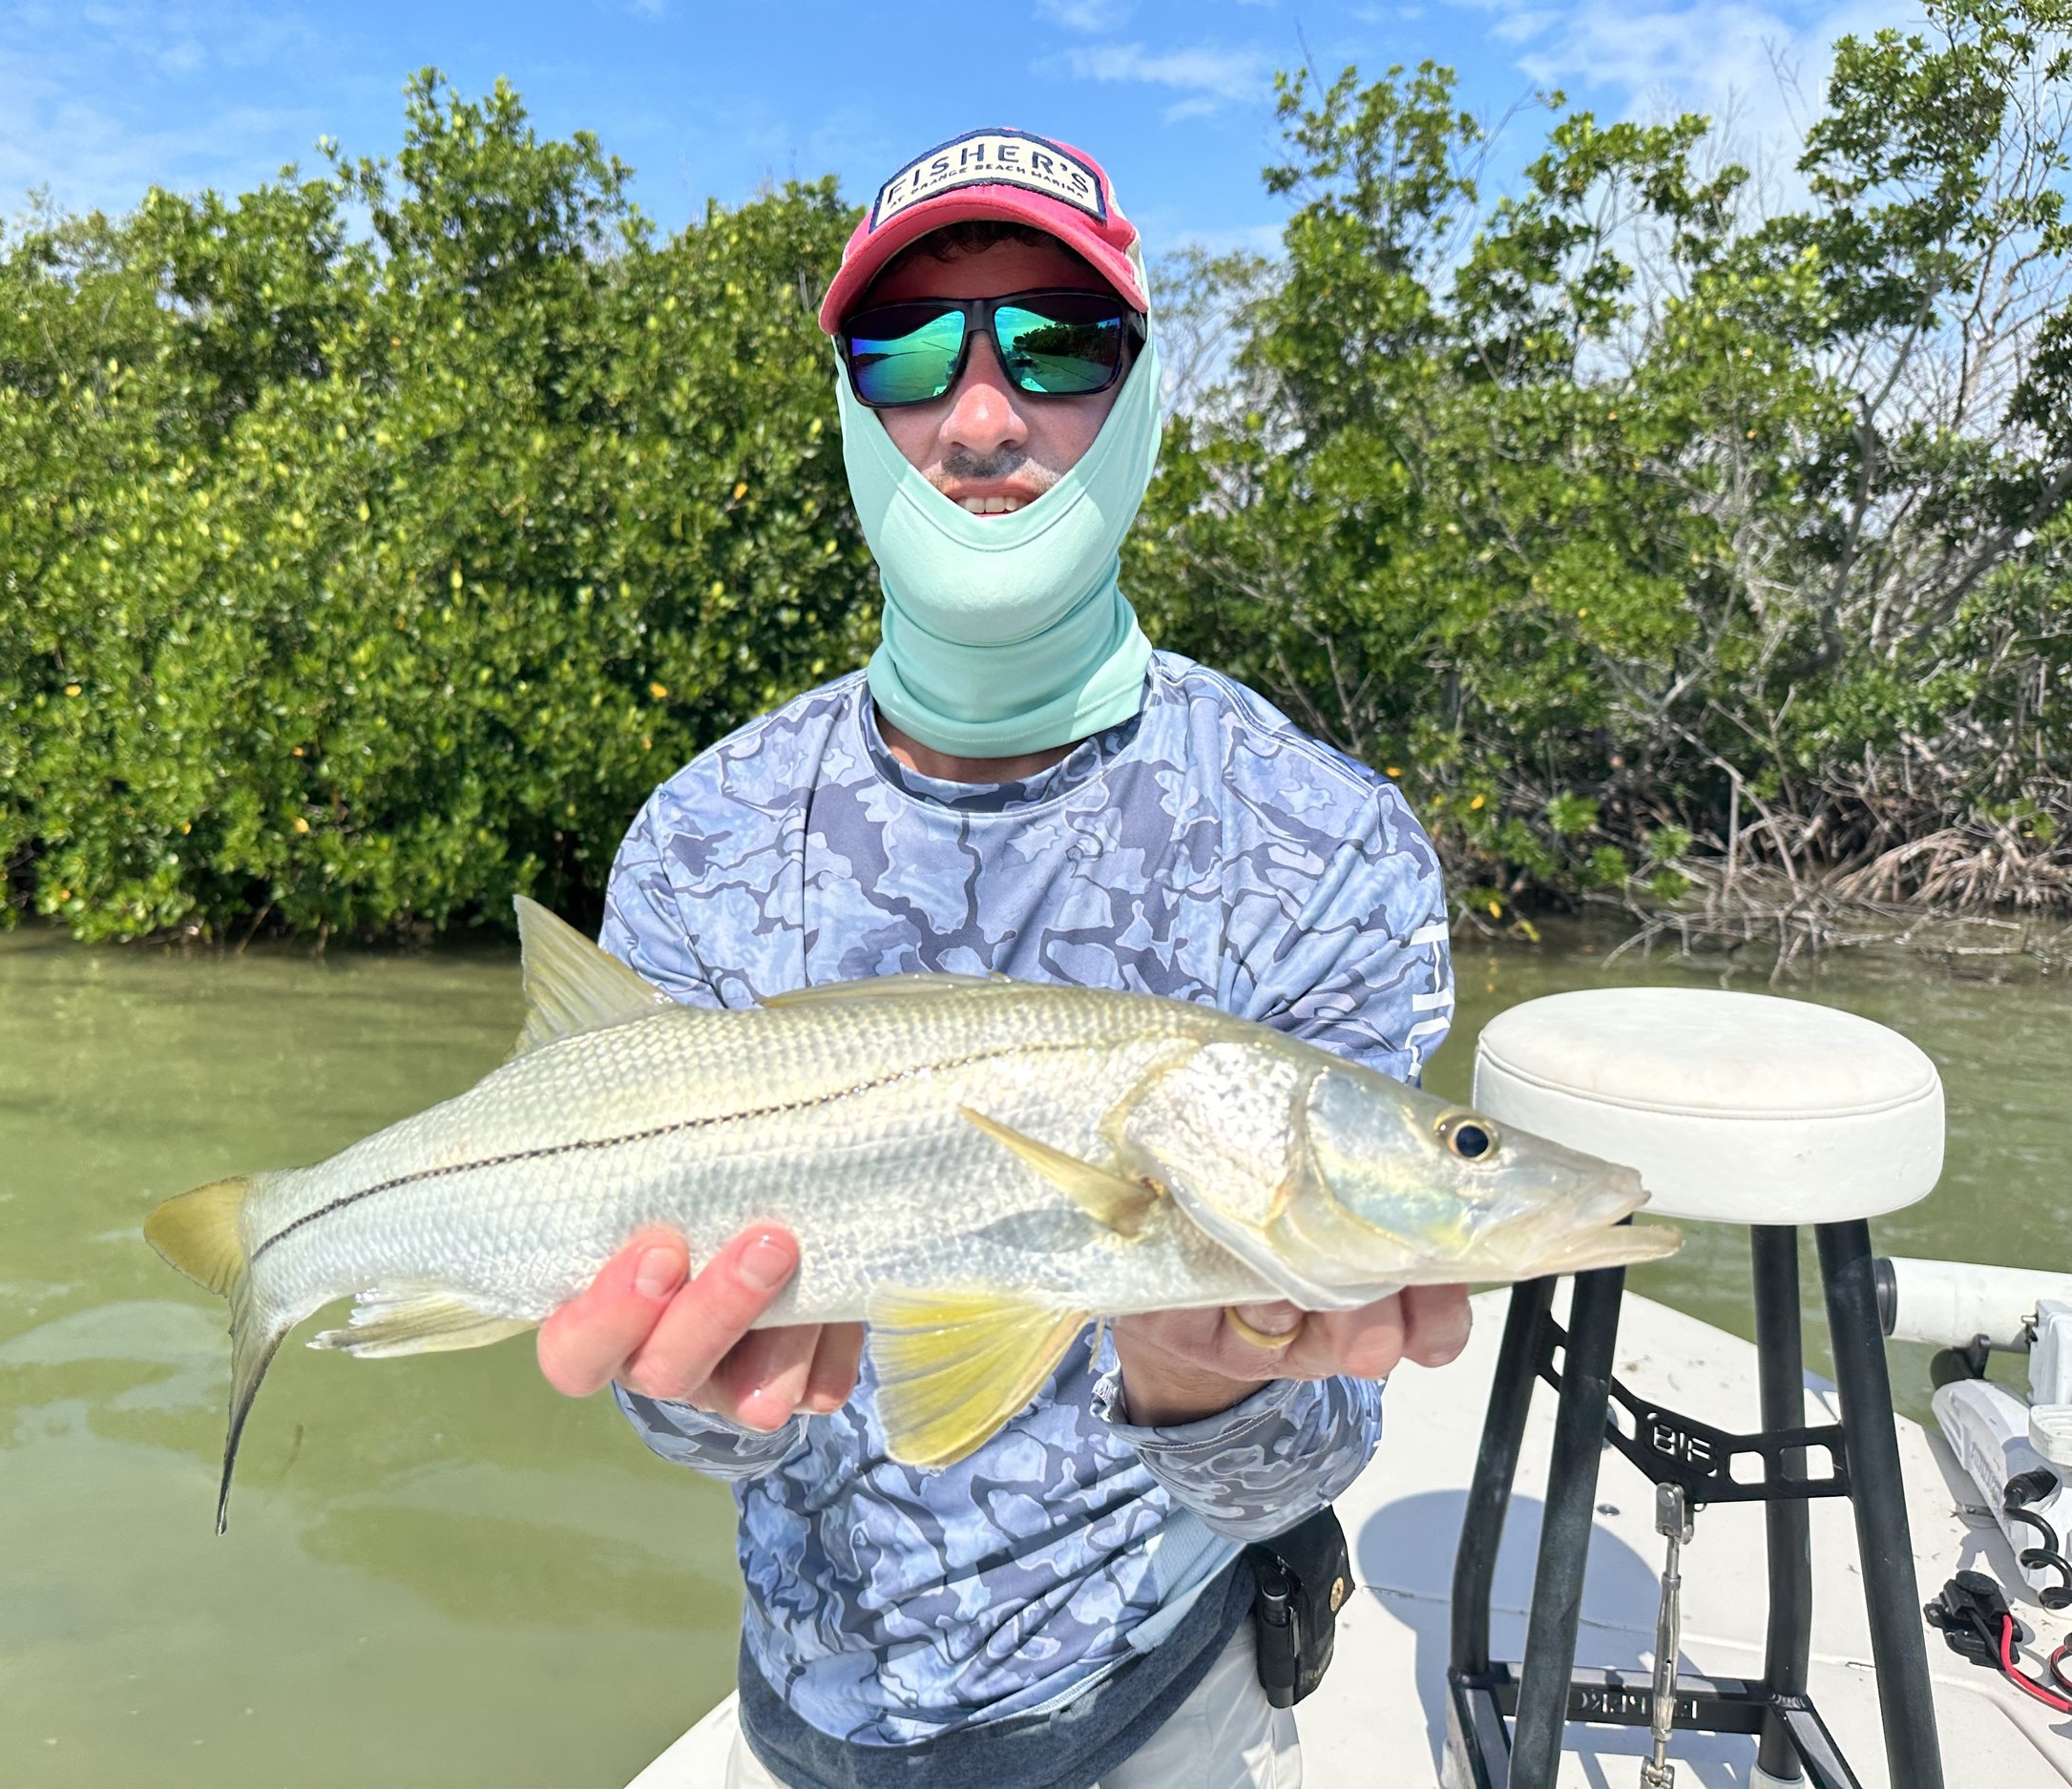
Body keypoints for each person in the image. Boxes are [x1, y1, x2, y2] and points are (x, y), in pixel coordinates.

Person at [535, 128, 1470, 1789]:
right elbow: (681, 1418)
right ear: (854, 413)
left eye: (1054, 343)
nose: (979, 420)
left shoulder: (1324, 844)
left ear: (1145, 392)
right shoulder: (698, 835)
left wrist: (1202, 1381)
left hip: (1159, 1710)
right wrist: (692, 1391)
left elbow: (1303, 1463)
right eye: (906, 354)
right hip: (799, 1713)